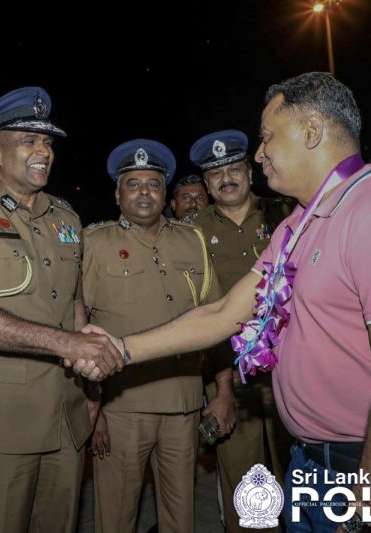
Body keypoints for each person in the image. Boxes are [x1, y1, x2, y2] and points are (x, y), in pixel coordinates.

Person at [74, 72, 371, 532]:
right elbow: (224, 313)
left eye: (267, 137)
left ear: (311, 132)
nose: (259, 154)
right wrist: (120, 348)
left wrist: (364, 511)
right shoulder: (297, 225)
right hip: (314, 462)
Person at [0, 86, 123, 533]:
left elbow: (74, 304)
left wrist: (91, 390)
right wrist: (67, 344)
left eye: (48, 142)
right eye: (29, 141)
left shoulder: (66, 218)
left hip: (66, 417)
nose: (44, 151)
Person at [84, 139, 220, 533]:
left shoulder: (191, 241)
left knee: (180, 519)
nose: (144, 192)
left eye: (153, 184)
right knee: (116, 517)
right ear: (117, 195)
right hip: (123, 407)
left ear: (165, 194)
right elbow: (79, 330)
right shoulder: (94, 244)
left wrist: (221, 391)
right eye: (133, 184)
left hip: (184, 404)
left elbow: (216, 319)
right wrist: (94, 408)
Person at [188, 129, 292, 532]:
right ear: (206, 183)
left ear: (250, 172)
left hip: (291, 368)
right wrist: (222, 390)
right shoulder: (192, 232)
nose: (226, 179)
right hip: (230, 373)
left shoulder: (284, 215)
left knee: (298, 475)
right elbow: (202, 312)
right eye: (216, 174)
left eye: (234, 169)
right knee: (248, 489)